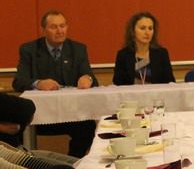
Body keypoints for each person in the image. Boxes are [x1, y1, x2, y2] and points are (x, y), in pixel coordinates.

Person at [13, 10, 98, 157]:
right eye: (54, 27)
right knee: (17, 126)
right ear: (43, 30)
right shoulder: (29, 50)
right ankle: (28, 162)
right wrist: (38, 83)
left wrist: (87, 79)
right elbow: (18, 81)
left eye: (62, 26)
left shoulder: (78, 49)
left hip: (71, 113)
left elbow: (92, 78)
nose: (59, 31)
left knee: (88, 126)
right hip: (38, 116)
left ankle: (73, 162)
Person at [113, 12, 175, 85]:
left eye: (150, 28)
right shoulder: (123, 55)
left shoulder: (161, 54)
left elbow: (170, 82)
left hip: (155, 93)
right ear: (132, 31)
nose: (147, 32)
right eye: (142, 28)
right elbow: (117, 84)